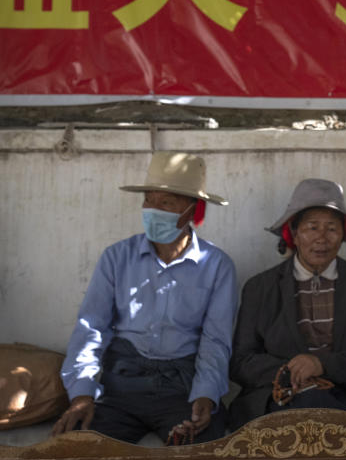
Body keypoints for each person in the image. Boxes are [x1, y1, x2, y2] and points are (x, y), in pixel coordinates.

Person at [53, 151, 237, 444]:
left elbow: (216, 340)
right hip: (121, 387)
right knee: (78, 448)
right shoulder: (117, 258)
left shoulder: (217, 265)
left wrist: (205, 395)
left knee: (204, 450)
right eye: (148, 200)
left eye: (166, 202)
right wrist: (82, 393)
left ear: (192, 210)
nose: (153, 209)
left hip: (181, 388)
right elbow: (92, 328)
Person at [229, 179, 346, 429]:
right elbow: (241, 362)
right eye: (312, 228)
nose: (322, 238)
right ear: (294, 233)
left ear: (343, 235)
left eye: (331, 229)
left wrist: (321, 365)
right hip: (279, 397)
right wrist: (292, 371)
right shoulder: (260, 288)